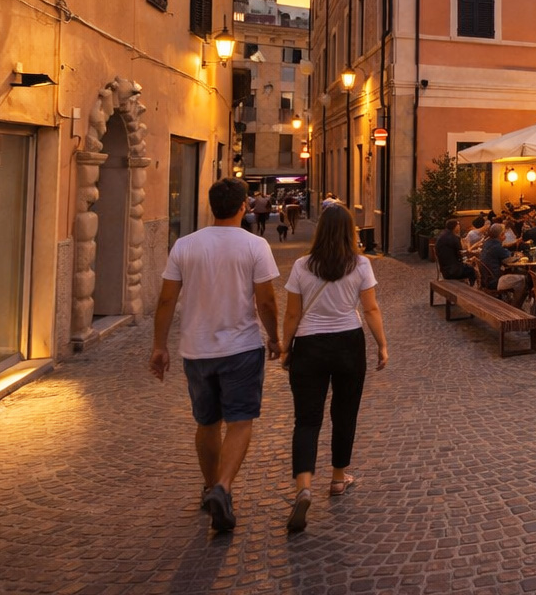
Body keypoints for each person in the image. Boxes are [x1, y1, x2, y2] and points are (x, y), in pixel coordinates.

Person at [149, 178, 281, 533]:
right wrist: (274, 337)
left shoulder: (185, 246)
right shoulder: (255, 246)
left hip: (197, 348)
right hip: (241, 347)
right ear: (244, 207)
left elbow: (166, 300)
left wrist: (159, 346)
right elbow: (266, 300)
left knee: (207, 423)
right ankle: (223, 487)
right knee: (240, 420)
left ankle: (210, 487)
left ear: (212, 207)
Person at [279, 204, 388, 533]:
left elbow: (291, 315)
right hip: (348, 343)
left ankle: (304, 486)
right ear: (348, 231)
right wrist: (382, 344)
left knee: (307, 419)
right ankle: (339, 478)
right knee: (345, 413)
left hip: (310, 344)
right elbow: (370, 309)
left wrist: (286, 347)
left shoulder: (301, 266)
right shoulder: (360, 264)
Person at [478, 218, 529, 307]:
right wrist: (518, 255)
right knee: (523, 279)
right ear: (501, 235)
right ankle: (515, 307)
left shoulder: (487, 243)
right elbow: (510, 258)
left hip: (486, 278)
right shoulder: (496, 246)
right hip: (495, 281)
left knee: (517, 275)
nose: (505, 236)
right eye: (504, 234)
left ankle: (511, 302)